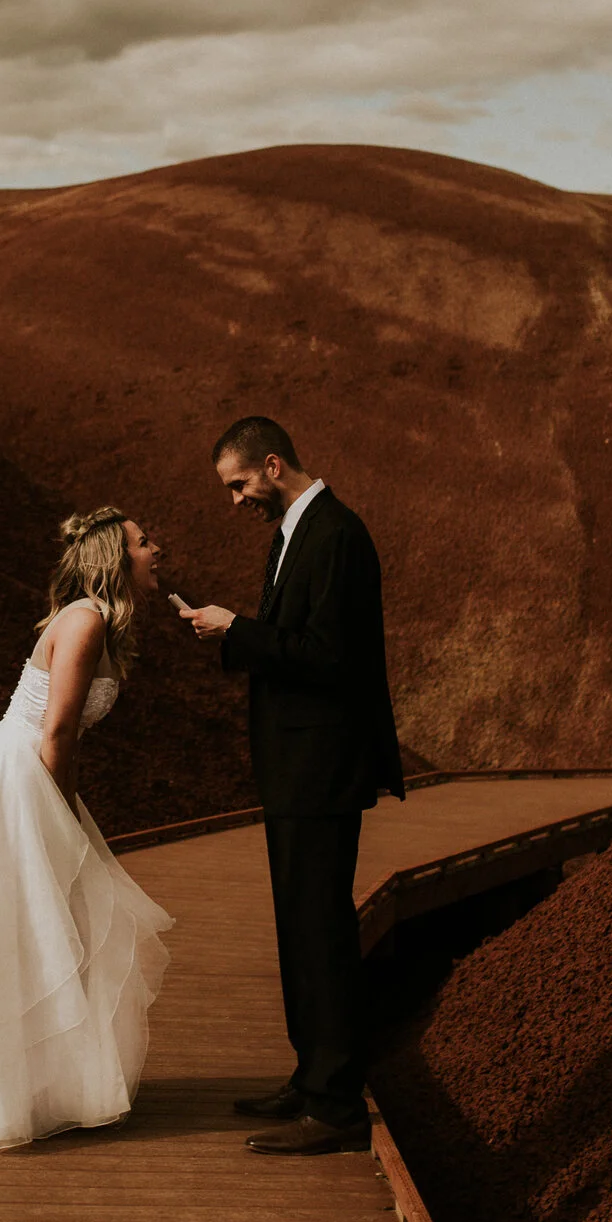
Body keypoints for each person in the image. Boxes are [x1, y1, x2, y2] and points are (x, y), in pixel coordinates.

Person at [0, 508, 177, 1149]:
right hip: (15, 781)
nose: (155, 550)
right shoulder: (85, 621)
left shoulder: (92, 620)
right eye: (143, 542)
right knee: (36, 925)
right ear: (114, 556)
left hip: (19, 775)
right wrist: (60, 822)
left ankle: (36, 1088)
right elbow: (56, 733)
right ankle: (19, 1094)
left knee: (38, 930)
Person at [175, 417, 405, 1156]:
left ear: (273, 465)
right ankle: (312, 1077)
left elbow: (328, 657)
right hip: (297, 769)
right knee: (300, 928)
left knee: (323, 931)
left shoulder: (337, 534)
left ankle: (336, 1104)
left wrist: (235, 628)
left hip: (322, 770)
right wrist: (235, 630)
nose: (237, 500)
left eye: (239, 484)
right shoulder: (293, 534)